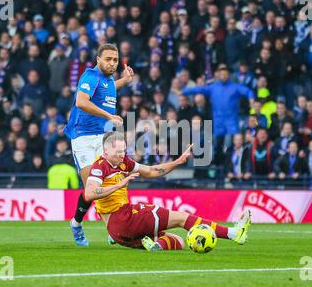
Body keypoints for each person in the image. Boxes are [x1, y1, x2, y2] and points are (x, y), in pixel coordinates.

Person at [81, 132, 252, 251]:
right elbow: (89, 194)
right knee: (182, 218)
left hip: (118, 232)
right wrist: (118, 186)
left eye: (124, 150)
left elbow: (151, 171)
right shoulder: (99, 166)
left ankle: (156, 247)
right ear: (105, 151)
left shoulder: (124, 162)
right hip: (123, 218)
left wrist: (177, 162)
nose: (122, 155)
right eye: (118, 152)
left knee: (178, 241)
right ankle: (234, 233)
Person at [64, 43, 134, 246]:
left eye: (115, 60)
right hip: (83, 136)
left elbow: (109, 88)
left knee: (110, 181)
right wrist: (109, 115)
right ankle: (76, 223)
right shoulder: (90, 76)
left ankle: (113, 230)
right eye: (108, 59)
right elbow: (81, 102)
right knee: (92, 189)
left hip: (103, 137)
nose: (112, 63)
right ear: (98, 60)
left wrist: (125, 80)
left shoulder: (108, 79)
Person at [182, 66, 255, 165]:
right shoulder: (213, 87)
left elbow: (248, 91)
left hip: (231, 123)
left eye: (225, 74)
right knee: (215, 146)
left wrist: (251, 98)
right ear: (219, 76)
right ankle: (216, 167)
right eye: (222, 74)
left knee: (228, 146)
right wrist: (183, 92)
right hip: (218, 123)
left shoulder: (235, 87)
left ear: (228, 75)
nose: (224, 76)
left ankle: (228, 168)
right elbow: (198, 89)